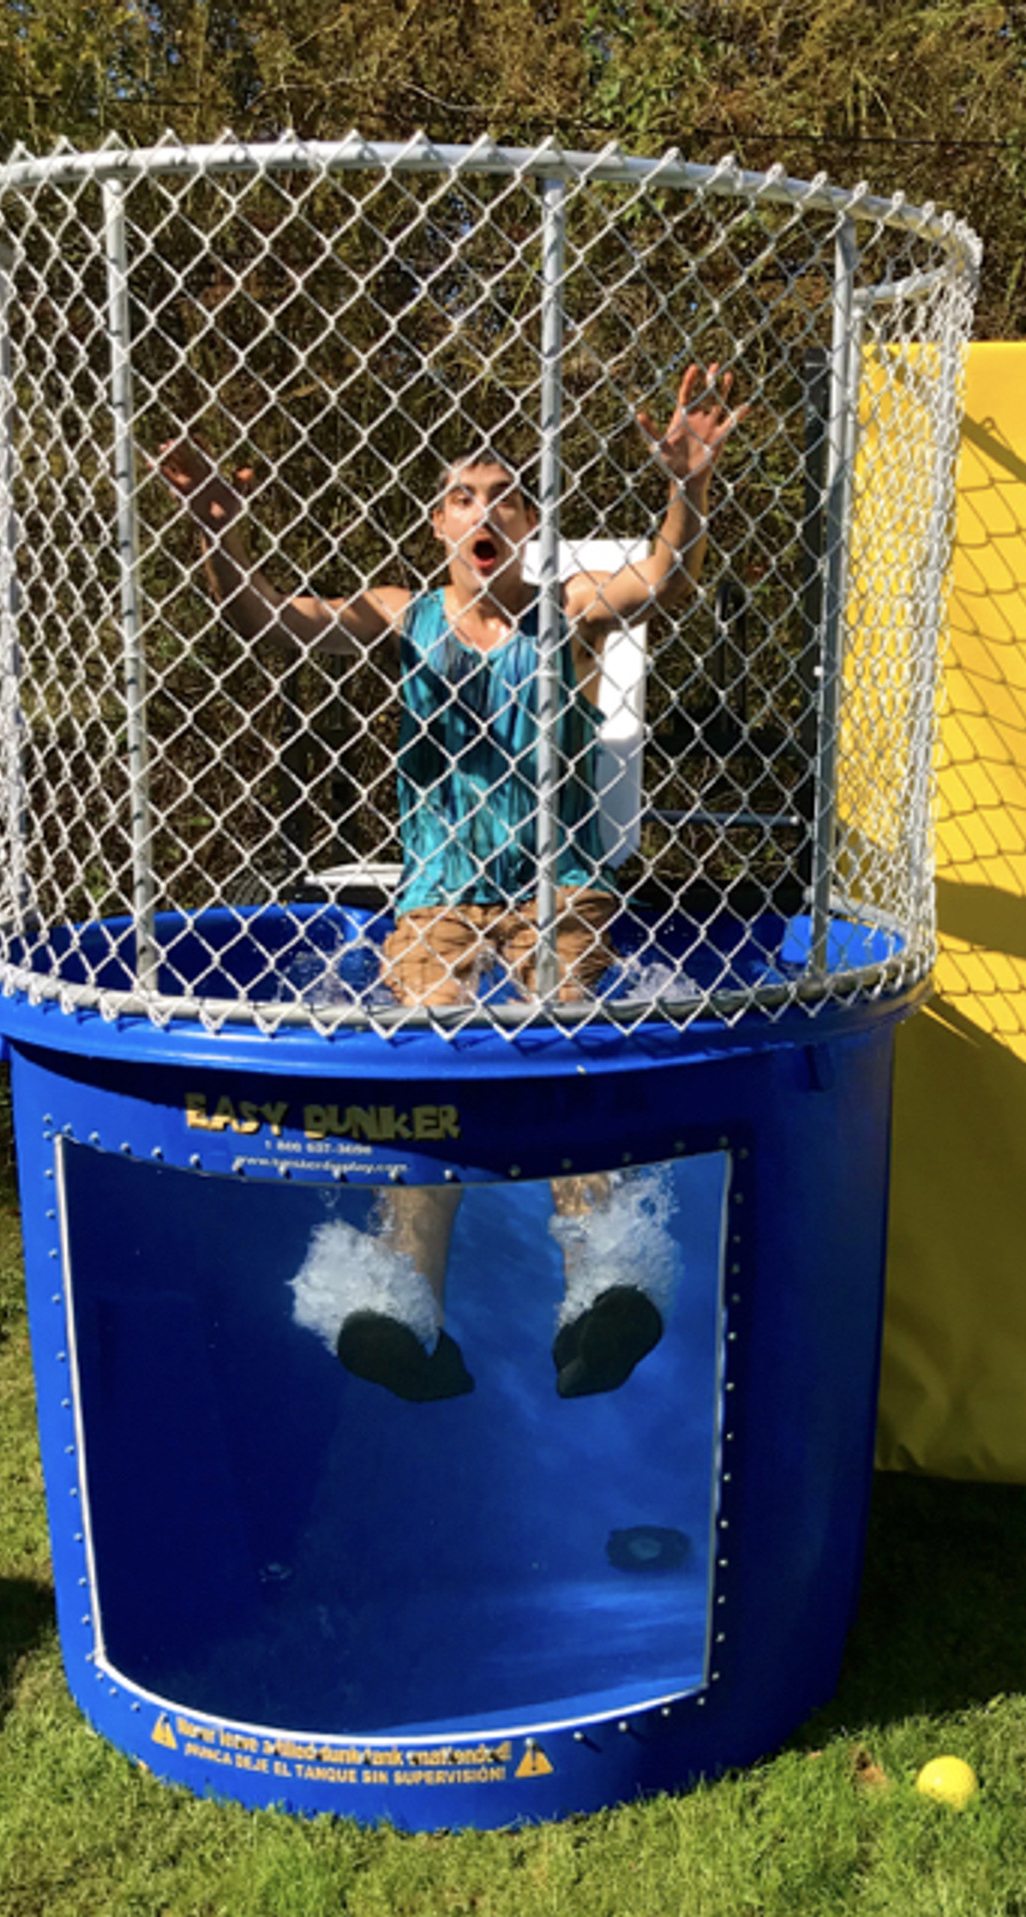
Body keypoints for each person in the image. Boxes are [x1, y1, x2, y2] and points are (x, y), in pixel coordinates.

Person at [154, 364, 745, 1402]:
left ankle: (603, 1294)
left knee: (563, 1041)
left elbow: (666, 578)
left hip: (559, 891)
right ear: (438, 526)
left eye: (504, 495)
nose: (484, 509)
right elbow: (266, 620)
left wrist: (686, 486)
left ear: (529, 524)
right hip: (434, 900)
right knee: (421, 1075)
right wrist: (219, 531)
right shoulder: (403, 614)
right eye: (463, 496)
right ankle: (401, 1307)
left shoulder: (568, 611)